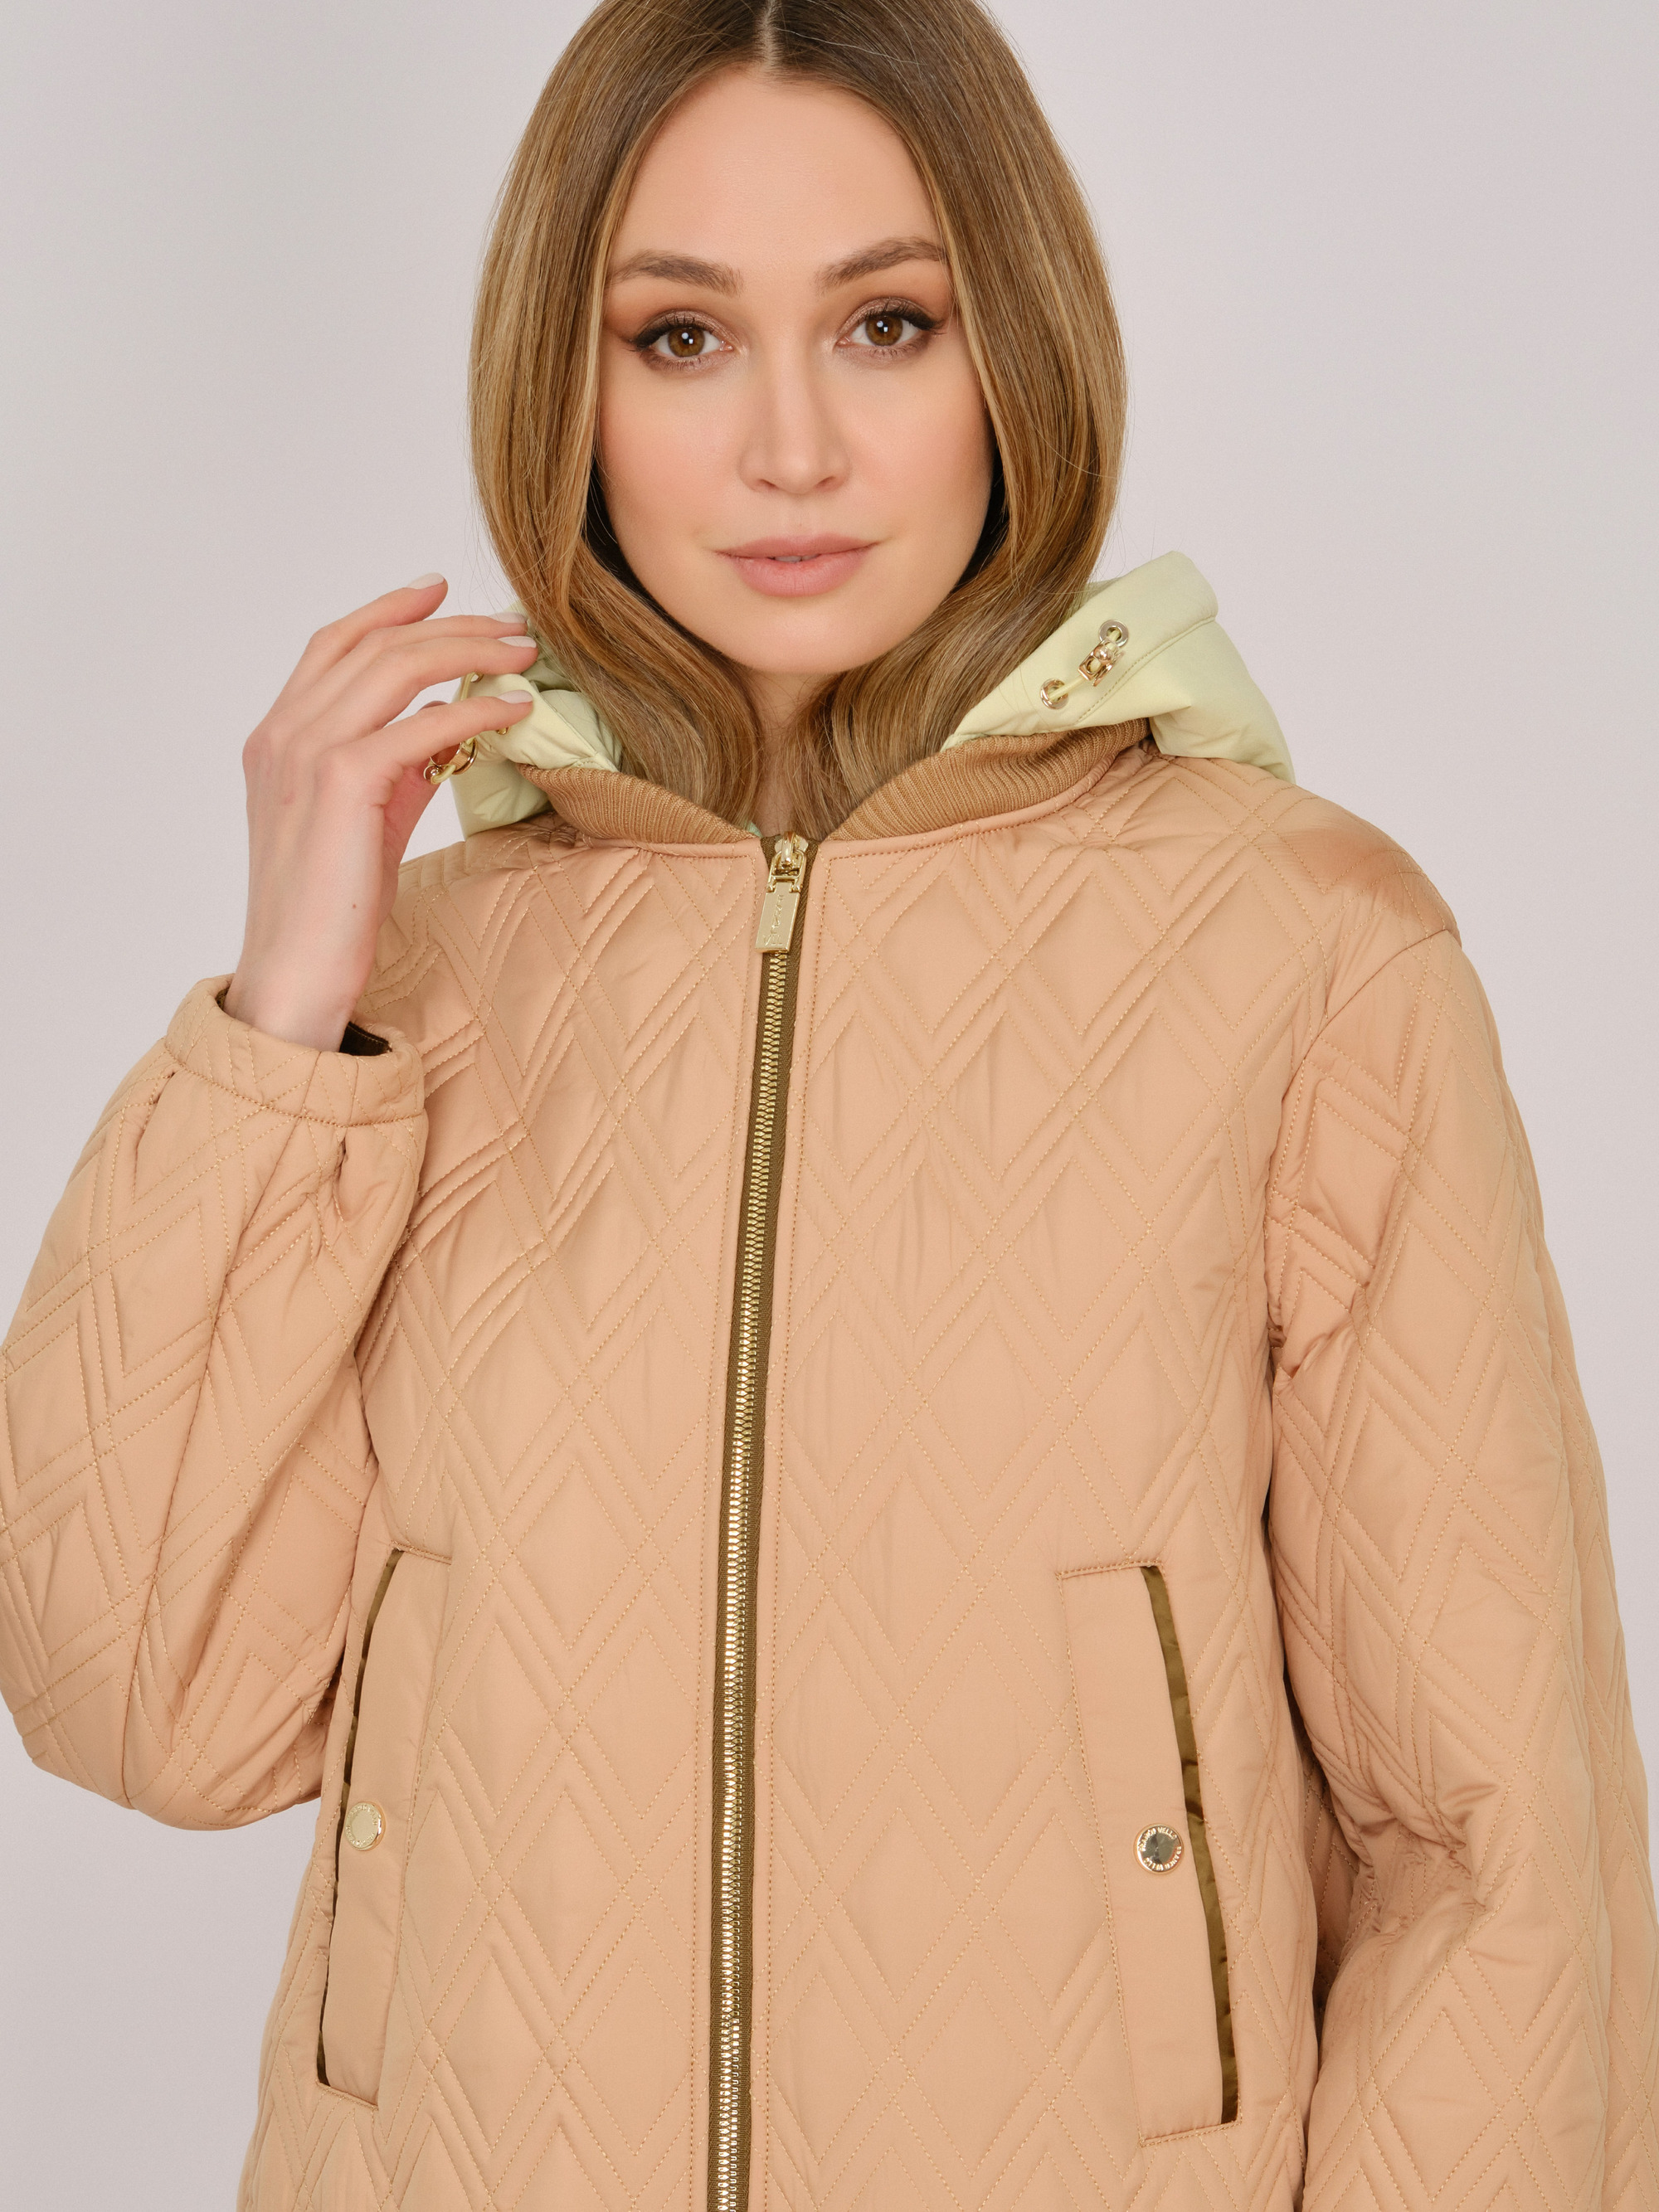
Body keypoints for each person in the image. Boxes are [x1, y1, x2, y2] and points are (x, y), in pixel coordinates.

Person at [2, 0, 1653, 2205]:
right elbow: (142, 1700)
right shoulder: (423, 982)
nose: (792, 447)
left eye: (887, 323)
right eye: (681, 338)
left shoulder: (1307, 949)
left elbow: (1495, 1855)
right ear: (568, 387)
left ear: (1015, 355)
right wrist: (287, 1016)